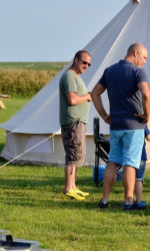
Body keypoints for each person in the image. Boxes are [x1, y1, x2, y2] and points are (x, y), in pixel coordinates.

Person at [91, 43, 150, 210]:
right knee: (130, 163)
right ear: (136, 53)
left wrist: (104, 115)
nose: (144, 62)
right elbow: (146, 94)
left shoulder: (109, 71)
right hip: (133, 125)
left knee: (112, 161)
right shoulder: (137, 72)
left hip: (115, 125)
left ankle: (104, 199)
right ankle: (128, 200)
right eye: (144, 58)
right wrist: (147, 115)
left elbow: (94, 93)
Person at [59, 50, 93, 200]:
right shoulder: (69, 77)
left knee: (77, 153)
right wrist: (88, 96)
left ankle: (73, 186)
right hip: (73, 122)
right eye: (84, 62)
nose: (86, 65)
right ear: (76, 60)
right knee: (73, 154)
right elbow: (72, 100)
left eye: (88, 64)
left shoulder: (76, 77)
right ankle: (68, 189)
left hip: (78, 121)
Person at [134, 124, 150, 209]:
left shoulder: (125, 122)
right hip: (140, 156)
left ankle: (128, 200)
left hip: (128, 156)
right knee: (138, 179)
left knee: (129, 178)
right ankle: (138, 201)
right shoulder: (142, 124)